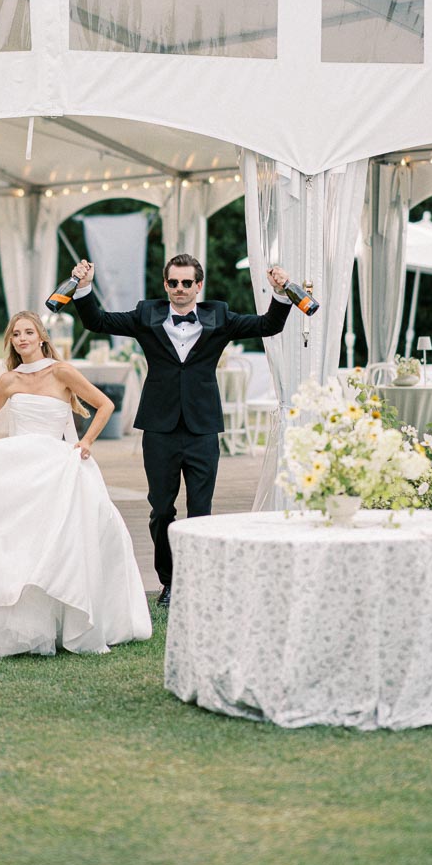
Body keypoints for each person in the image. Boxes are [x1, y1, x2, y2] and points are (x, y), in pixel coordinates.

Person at [0, 310, 152, 657]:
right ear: (11, 341)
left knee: (71, 533)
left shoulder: (61, 371)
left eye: (28, 332)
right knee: (5, 538)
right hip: (18, 463)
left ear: (41, 337)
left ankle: (69, 619)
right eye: (16, 334)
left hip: (55, 463)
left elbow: (105, 405)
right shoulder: (9, 380)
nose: (22, 339)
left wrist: (86, 441)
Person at [70, 254, 292, 607]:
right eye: (173, 283)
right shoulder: (146, 315)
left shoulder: (220, 316)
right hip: (159, 428)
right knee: (161, 509)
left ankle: (198, 582)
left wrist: (280, 293)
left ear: (198, 285)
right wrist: (83, 287)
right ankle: (170, 582)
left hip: (203, 427)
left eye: (187, 283)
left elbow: (269, 325)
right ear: (165, 285)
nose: (179, 289)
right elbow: (97, 321)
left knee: (200, 511)